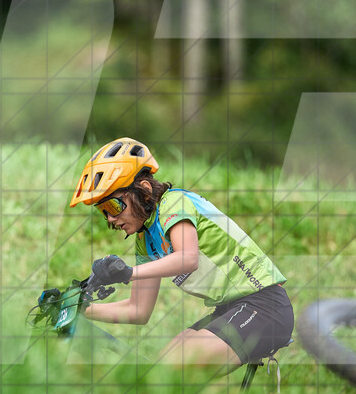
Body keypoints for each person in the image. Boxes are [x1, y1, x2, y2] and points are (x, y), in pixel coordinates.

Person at [69, 137, 294, 372]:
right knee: (158, 372)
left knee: (168, 372)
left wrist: (127, 273)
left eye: (114, 207)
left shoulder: (174, 202)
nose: (110, 219)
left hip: (265, 306)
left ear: (144, 190)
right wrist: (79, 308)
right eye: (103, 212)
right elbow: (138, 310)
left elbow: (188, 259)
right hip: (228, 309)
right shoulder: (145, 240)